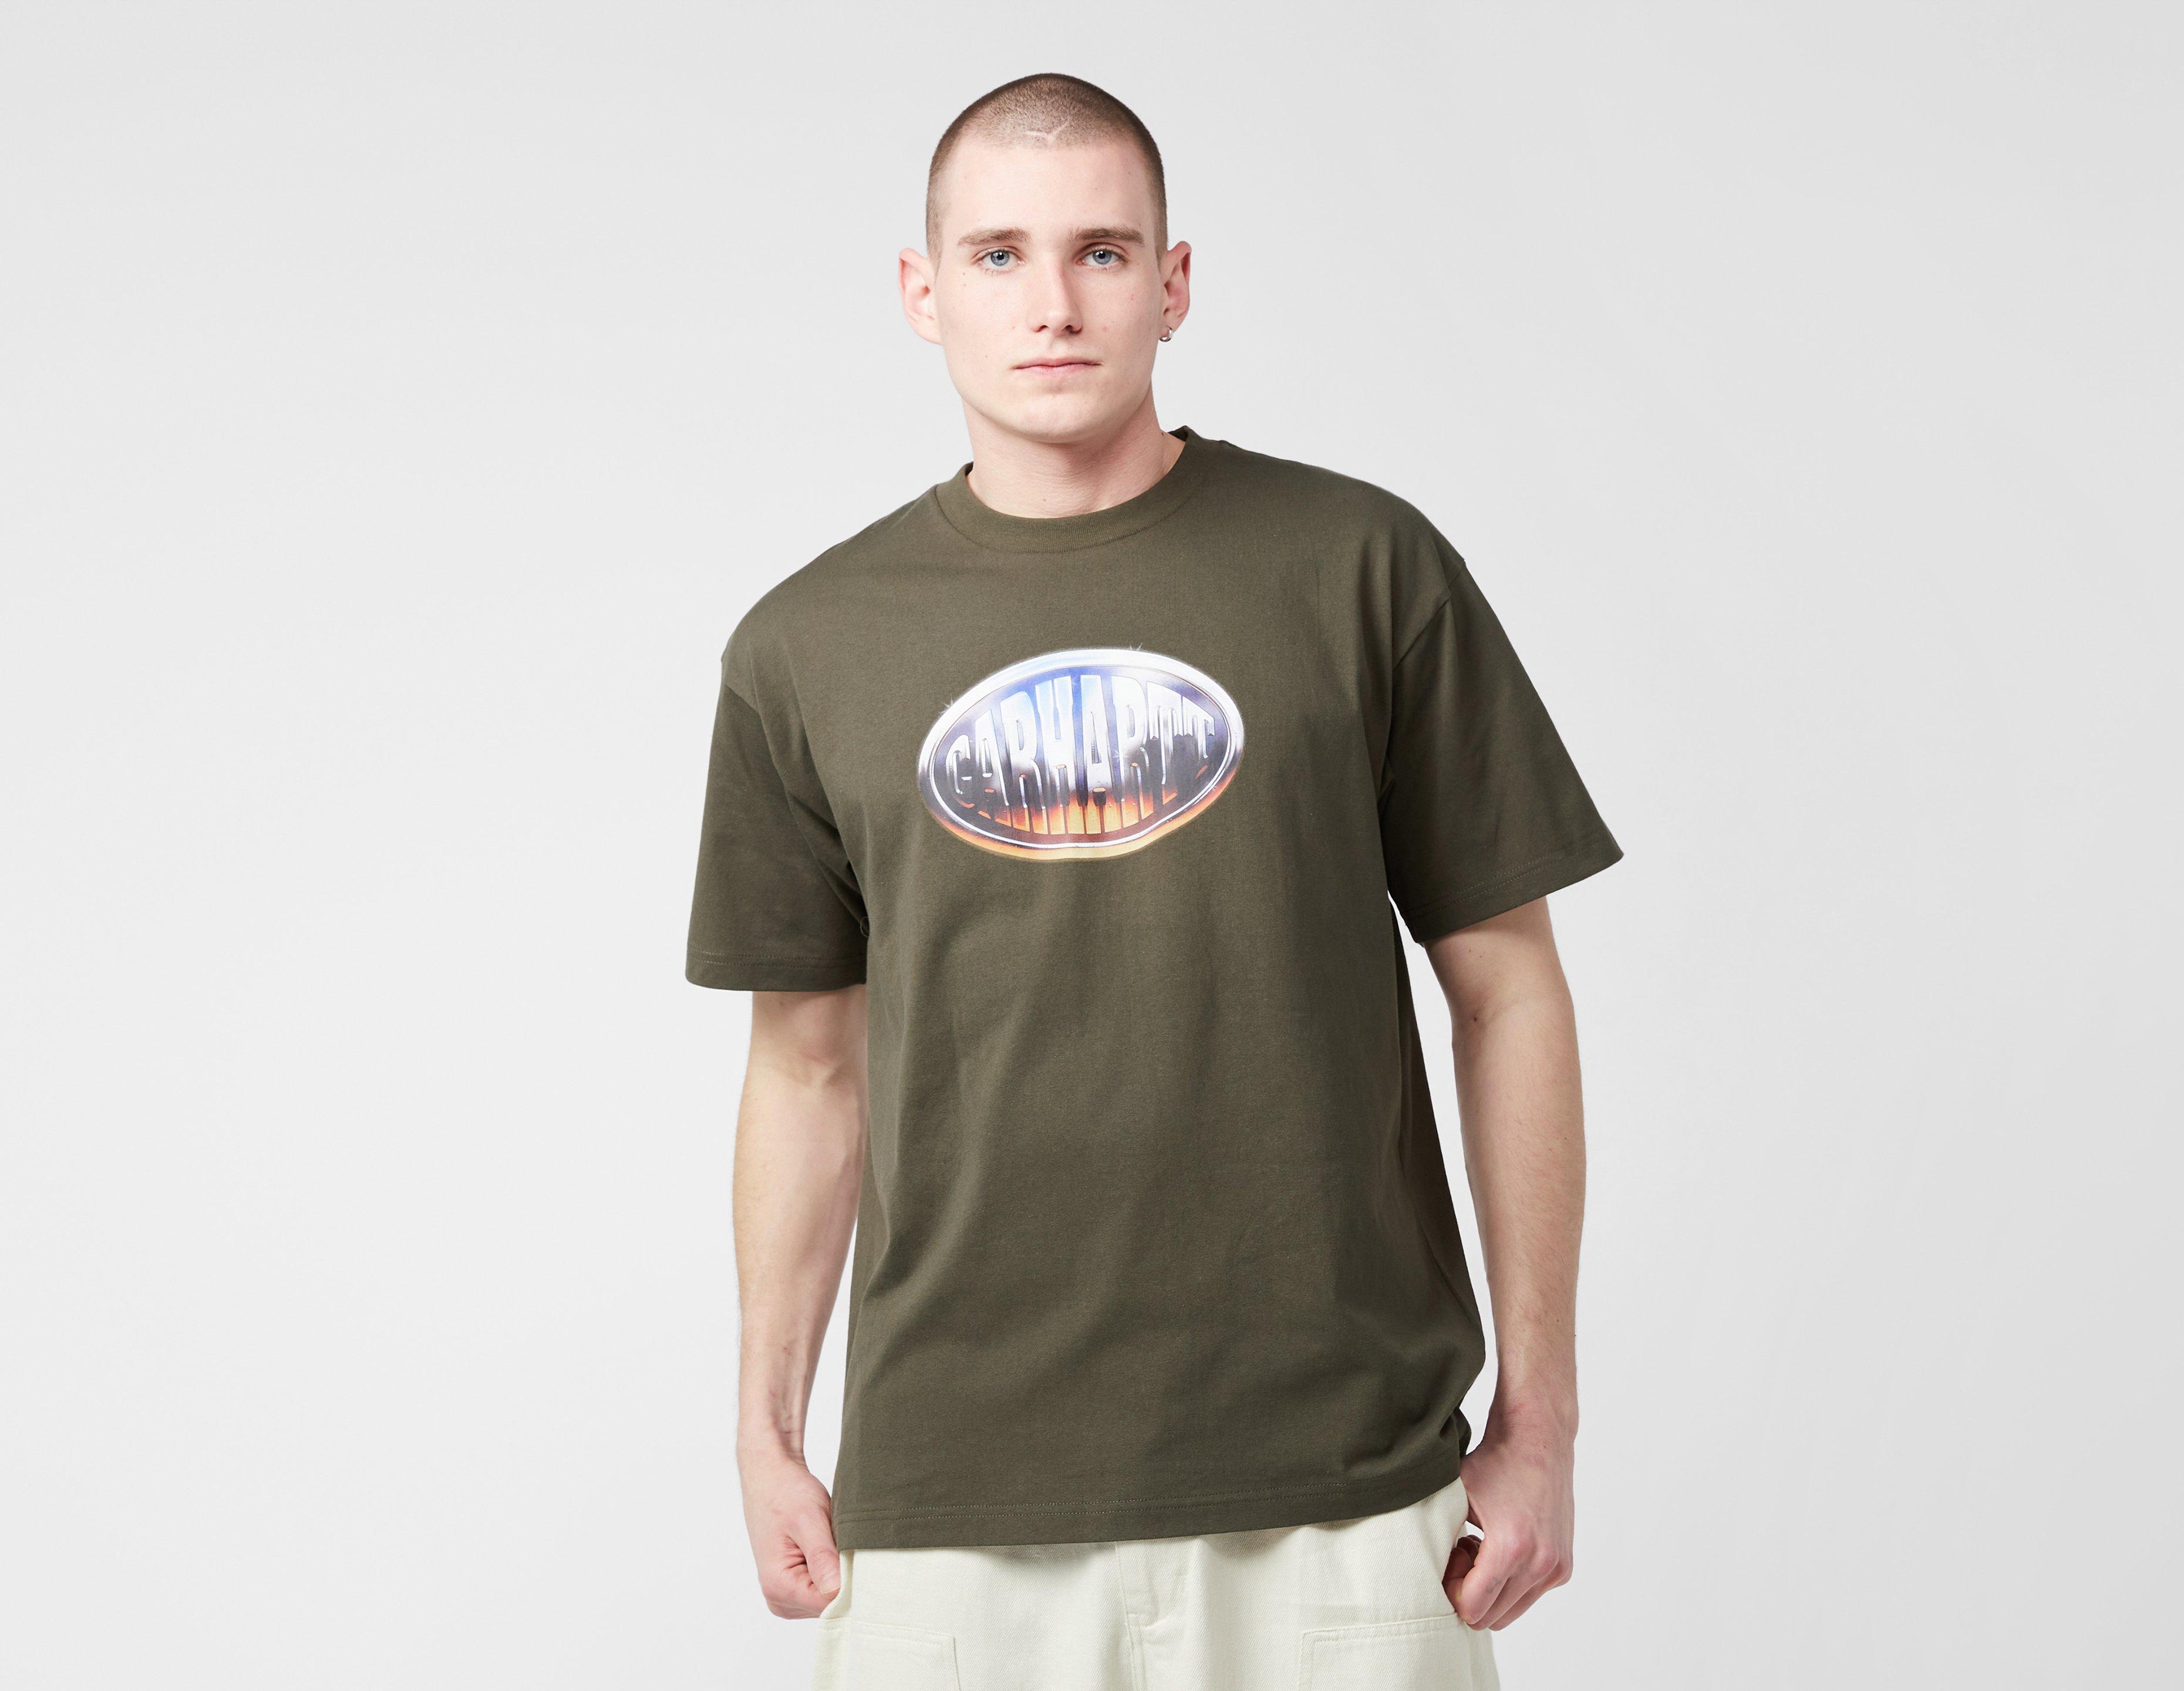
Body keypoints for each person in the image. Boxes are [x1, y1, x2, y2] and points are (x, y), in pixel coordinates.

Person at [685, 71, 1621, 1691]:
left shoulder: (1362, 569)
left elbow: (1511, 992)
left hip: (1343, 1489)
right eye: (997, 255)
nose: (1051, 303)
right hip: (953, 1508)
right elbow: (806, 1067)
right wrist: (766, 1429)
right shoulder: (806, 647)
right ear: (922, 291)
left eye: (1102, 252)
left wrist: (1544, 1418)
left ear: (1174, 283)